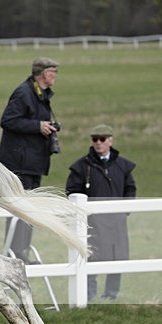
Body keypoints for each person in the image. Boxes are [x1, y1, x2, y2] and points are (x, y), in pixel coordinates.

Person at [0, 57, 61, 263]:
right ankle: (16, 252)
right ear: (42, 74)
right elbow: (7, 120)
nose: (55, 76)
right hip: (20, 164)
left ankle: (22, 251)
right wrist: (37, 126)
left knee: (30, 208)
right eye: (53, 72)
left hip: (32, 162)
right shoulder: (24, 92)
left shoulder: (41, 94)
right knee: (20, 208)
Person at [66, 124, 137, 300]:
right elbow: (71, 192)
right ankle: (88, 297)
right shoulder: (82, 167)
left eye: (102, 139)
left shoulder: (123, 166)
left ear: (110, 141)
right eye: (95, 139)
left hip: (116, 224)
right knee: (92, 258)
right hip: (93, 225)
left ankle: (111, 296)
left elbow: (130, 188)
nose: (98, 143)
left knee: (116, 259)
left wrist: (124, 211)